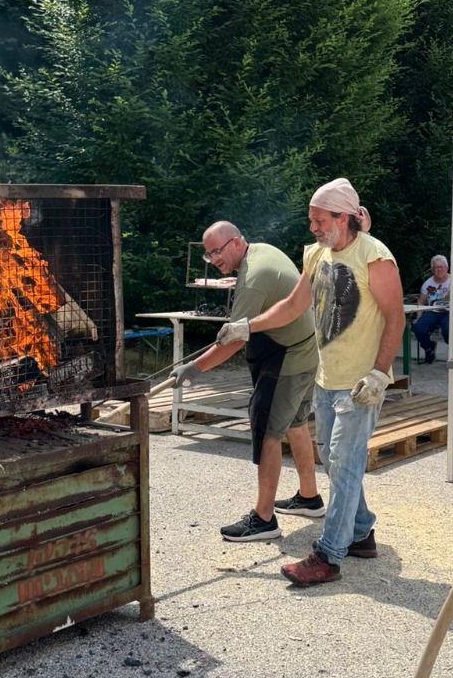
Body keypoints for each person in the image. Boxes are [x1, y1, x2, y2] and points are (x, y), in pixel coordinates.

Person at [215, 178, 404, 586]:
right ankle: (362, 531)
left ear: (344, 217)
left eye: (320, 220)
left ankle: (329, 555)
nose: (314, 227)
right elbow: (293, 304)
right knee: (332, 458)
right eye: (311, 220)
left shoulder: (375, 256)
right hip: (327, 376)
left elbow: (395, 317)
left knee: (346, 462)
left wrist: (379, 372)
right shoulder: (316, 254)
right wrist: (247, 326)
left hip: (360, 384)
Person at [171, 223, 322, 543]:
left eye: (217, 251)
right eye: (207, 254)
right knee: (295, 424)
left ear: (236, 243)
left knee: (267, 432)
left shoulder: (253, 278)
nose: (212, 260)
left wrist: (193, 369)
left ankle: (264, 519)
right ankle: (309, 499)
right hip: (307, 351)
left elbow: (233, 342)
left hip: (289, 358)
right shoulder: (262, 252)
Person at [413, 255, 451, 364]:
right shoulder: (428, 284)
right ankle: (429, 348)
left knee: (449, 328)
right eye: (435, 268)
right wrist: (418, 316)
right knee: (418, 326)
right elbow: (421, 301)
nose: (438, 270)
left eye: (441, 267)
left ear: (446, 268)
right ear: (432, 270)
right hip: (433, 311)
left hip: (450, 312)